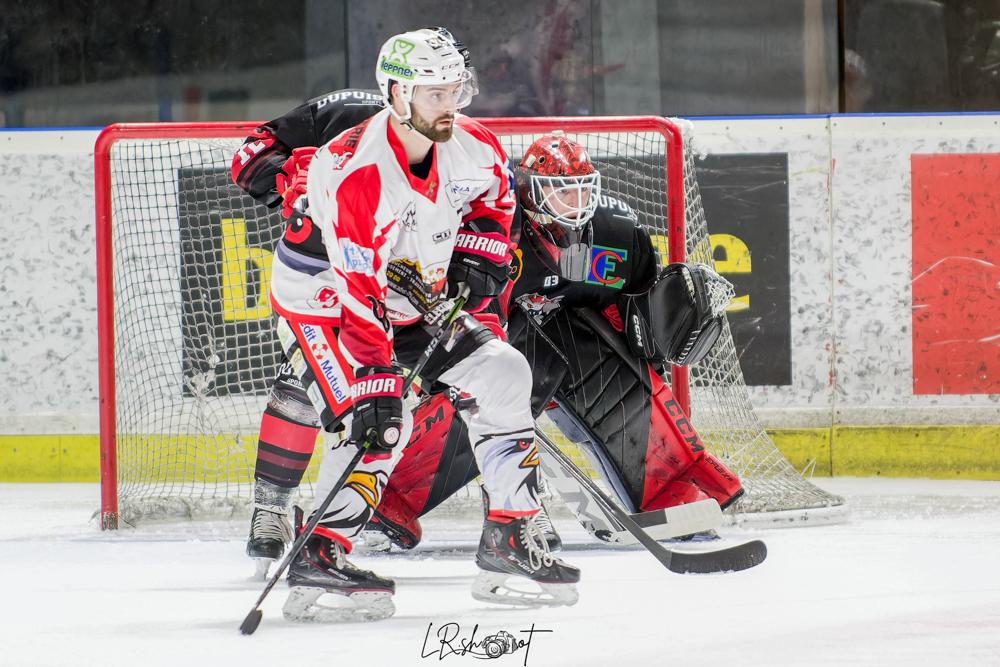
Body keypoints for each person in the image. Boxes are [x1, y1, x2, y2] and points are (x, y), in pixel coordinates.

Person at [235, 27, 580, 623]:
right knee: (383, 419)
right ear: (396, 94)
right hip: (323, 298)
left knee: (503, 372)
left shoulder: (473, 144)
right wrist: (375, 380)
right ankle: (321, 551)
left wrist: (478, 256)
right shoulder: (354, 171)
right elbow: (357, 289)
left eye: (455, 91)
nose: (449, 106)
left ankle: (510, 535)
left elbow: (493, 202)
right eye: (433, 94)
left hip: (411, 287)